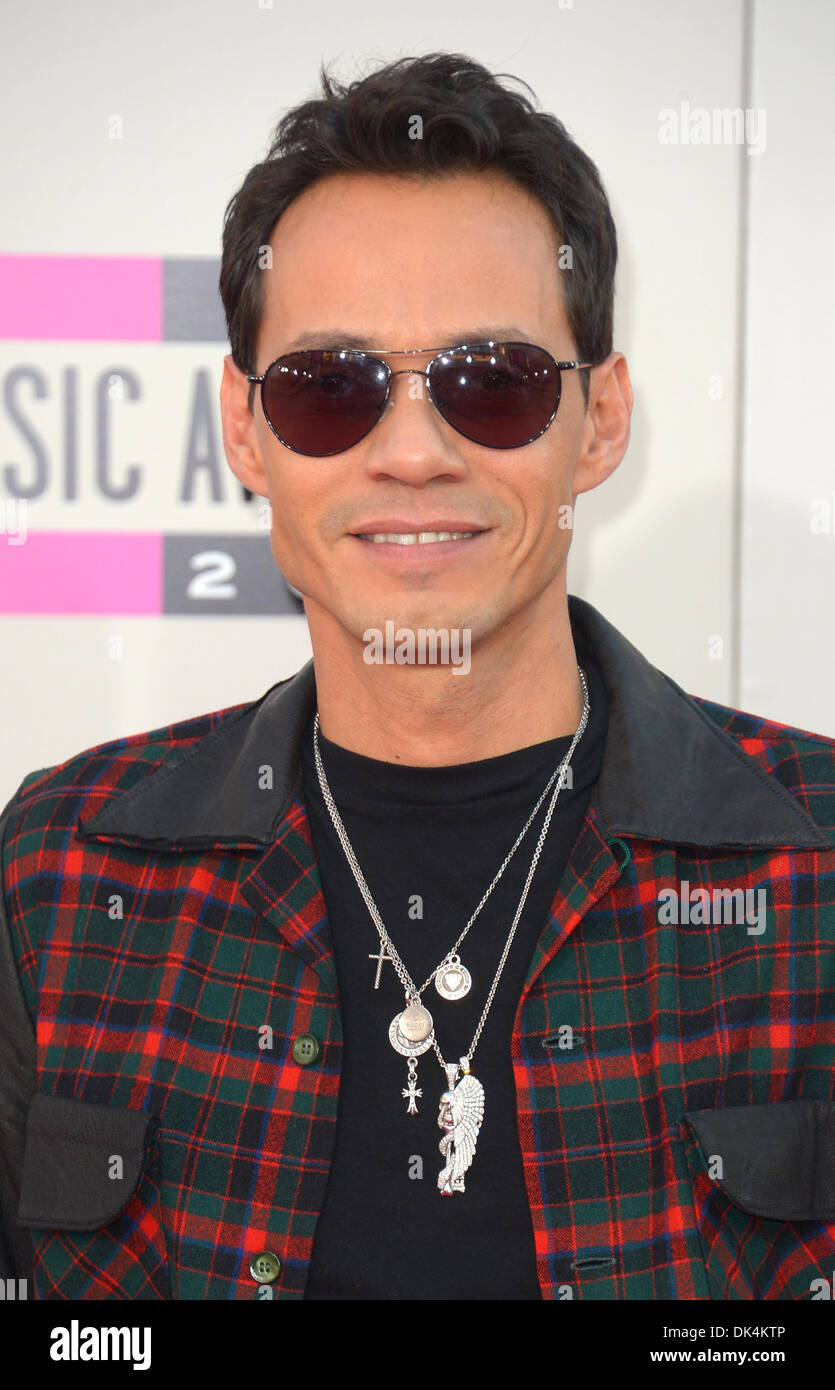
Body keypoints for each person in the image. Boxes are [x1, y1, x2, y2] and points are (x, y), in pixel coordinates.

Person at [1, 51, 834, 1302]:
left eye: (489, 383)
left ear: (599, 420)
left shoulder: (815, 876)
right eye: (328, 387)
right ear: (243, 429)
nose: (409, 453)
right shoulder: (56, 880)